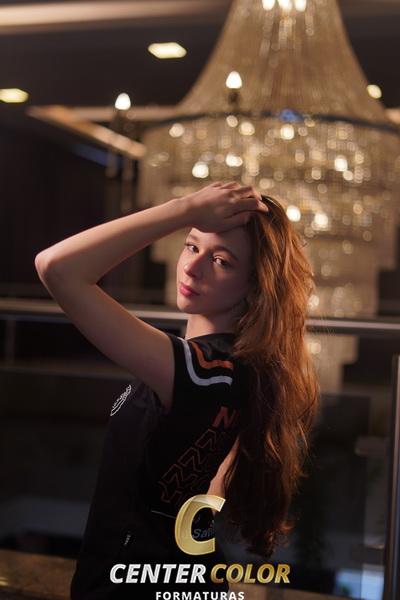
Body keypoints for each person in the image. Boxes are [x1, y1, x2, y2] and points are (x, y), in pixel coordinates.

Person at [34, 181, 320, 598]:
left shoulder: (204, 372)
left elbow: (56, 267)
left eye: (220, 260)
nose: (192, 267)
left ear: (254, 286)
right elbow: (210, 490)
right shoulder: (231, 372)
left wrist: (185, 209)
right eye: (191, 245)